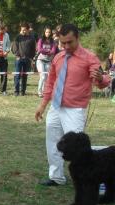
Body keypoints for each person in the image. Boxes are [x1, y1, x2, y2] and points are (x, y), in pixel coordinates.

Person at [35, 24, 110, 186]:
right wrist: (42, 105)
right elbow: (51, 83)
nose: (67, 47)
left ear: (77, 38)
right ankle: (56, 177)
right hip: (56, 107)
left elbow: (102, 83)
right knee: (53, 141)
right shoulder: (58, 57)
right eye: (63, 43)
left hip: (75, 109)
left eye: (70, 42)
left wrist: (99, 78)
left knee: (78, 149)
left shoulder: (90, 58)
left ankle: (84, 179)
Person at [11, 22, 36, 96]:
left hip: (27, 60)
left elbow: (33, 49)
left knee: (25, 75)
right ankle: (16, 91)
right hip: (19, 59)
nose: (23, 31)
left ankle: (23, 91)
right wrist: (17, 55)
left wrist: (31, 58)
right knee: (17, 75)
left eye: (24, 30)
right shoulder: (18, 37)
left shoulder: (31, 38)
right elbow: (14, 47)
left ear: (28, 30)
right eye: (22, 30)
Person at [36, 27, 57, 97]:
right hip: (40, 61)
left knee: (47, 77)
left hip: (48, 61)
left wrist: (45, 51)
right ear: (44, 33)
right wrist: (48, 51)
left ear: (51, 33)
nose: (47, 33)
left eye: (49, 32)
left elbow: (53, 51)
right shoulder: (41, 40)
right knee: (42, 77)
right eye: (46, 32)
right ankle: (39, 92)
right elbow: (39, 49)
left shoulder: (52, 41)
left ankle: (45, 92)